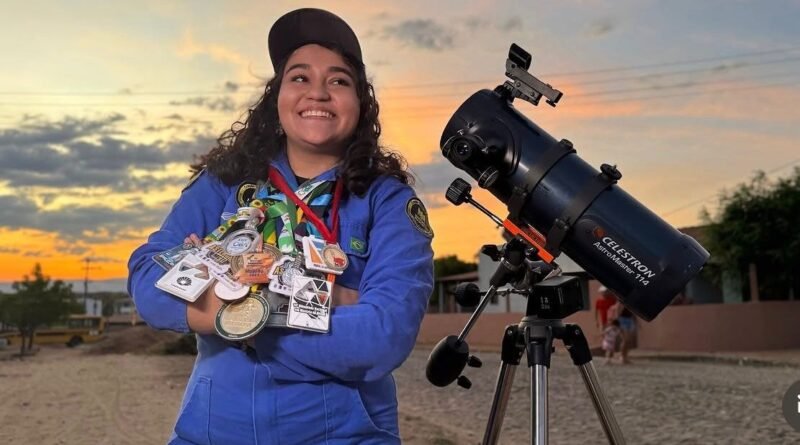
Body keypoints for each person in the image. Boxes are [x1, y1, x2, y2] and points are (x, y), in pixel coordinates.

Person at [127, 8, 434, 444]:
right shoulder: (222, 185)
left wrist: (232, 310)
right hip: (211, 434)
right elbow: (147, 281)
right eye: (300, 77)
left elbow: (382, 336)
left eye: (339, 80)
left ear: (360, 104)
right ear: (277, 97)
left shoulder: (388, 201)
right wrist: (332, 300)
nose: (319, 93)